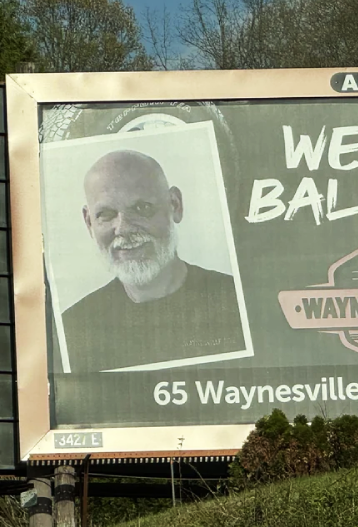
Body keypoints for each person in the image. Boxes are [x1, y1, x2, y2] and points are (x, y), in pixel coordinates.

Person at [62, 149, 245, 371]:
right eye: (106, 214)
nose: (124, 228)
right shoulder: (71, 330)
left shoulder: (237, 301)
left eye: (142, 208)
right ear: (89, 223)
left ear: (175, 205)